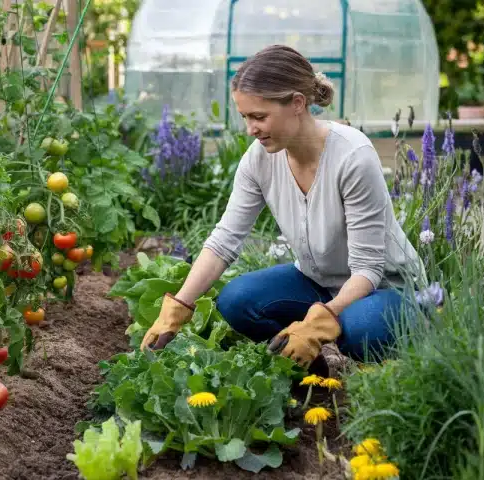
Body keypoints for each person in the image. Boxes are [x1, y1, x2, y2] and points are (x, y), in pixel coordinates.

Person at [140, 44, 425, 372]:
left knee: (358, 330)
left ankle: (399, 354)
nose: (251, 129)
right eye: (246, 117)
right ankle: (306, 369)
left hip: (388, 288)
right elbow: (224, 241)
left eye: (259, 116)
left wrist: (319, 325)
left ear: (298, 104)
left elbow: (368, 269)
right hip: (318, 281)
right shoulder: (259, 159)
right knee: (237, 301)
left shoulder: (352, 157)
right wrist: (178, 307)